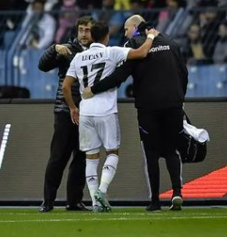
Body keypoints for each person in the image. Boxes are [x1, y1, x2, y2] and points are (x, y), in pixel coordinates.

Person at [83, 15, 187, 211]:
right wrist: (180, 98)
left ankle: (155, 201)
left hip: (148, 106)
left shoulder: (134, 45)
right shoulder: (170, 42)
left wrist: (94, 89)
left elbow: (119, 76)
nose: (124, 33)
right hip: (173, 104)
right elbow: (183, 72)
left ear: (134, 27)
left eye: (126, 29)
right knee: (172, 150)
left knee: (151, 153)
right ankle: (177, 193)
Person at [62, 21, 159, 212]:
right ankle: (102, 189)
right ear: (106, 37)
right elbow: (141, 53)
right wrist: (151, 37)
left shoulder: (79, 57)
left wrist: (73, 107)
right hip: (106, 110)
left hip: (86, 110)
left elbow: (66, 86)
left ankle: (95, 202)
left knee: (91, 157)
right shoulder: (111, 52)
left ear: (91, 37)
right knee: (112, 152)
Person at [38, 16, 94, 213]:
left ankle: (74, 201)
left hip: (88, 112)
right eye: (81, 30)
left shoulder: (98, 52)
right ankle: (48, 200)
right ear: (76, 32)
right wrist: (53, 48)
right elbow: (42, 66)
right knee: (58, 157)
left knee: (81, 158)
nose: (84, 34)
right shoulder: (67, 49)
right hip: (65, 110)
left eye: (88, 30)